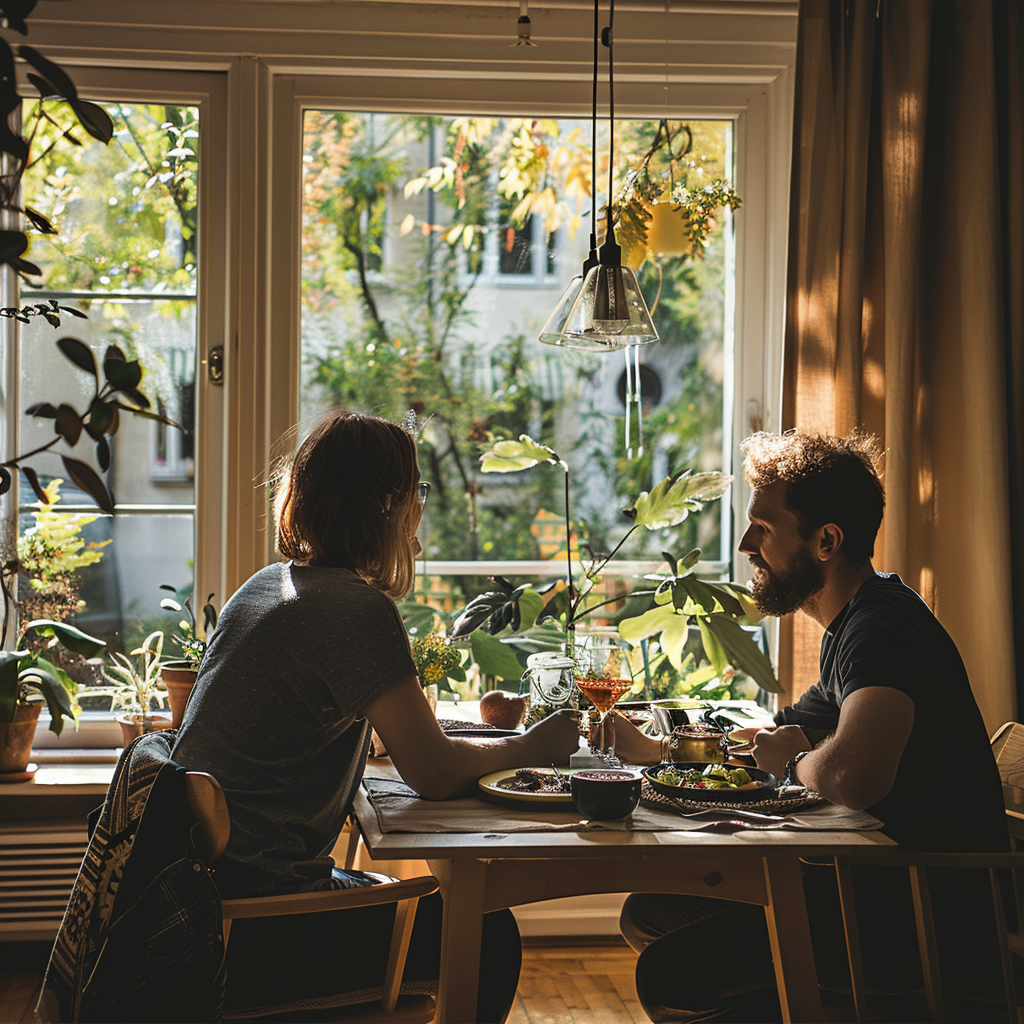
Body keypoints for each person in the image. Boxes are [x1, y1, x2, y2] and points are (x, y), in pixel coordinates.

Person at [172, 410, 580, 1023]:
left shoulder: (264, 586)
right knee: (487, 934)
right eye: (415, 492)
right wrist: (536, 746)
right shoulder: (356, 611)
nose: (419, 505)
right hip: (265, 932)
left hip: (202, 915)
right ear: (390, 504)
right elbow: (435, 774)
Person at [611, 430, 1009, 1023]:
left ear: (825, 541)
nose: (746, 544)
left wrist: (796, 763)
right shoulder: (857, 623)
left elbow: (854, 774)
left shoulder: (881, 632)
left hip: (921, 918)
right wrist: (662, 748)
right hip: (875, 889)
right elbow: (775, 739)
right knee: (649, 910)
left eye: (763, 529)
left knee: (671, 974)